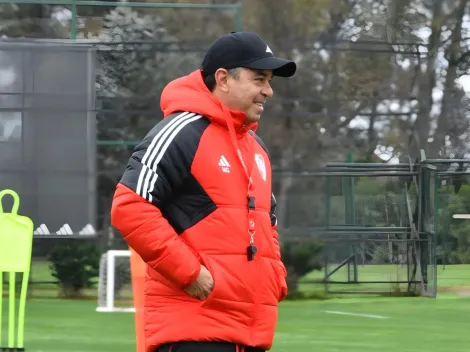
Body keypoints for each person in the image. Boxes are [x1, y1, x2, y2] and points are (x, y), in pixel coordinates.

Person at [110, 31, 296, 352]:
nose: (269, 91)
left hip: (249, 334)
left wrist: (274, 277)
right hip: (192, 332)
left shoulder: (256, 148)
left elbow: (268, 222)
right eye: (259, 79)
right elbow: (130, 207)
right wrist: (192, 275)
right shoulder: (182, 131)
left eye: (269, 81)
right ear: (223, 79)